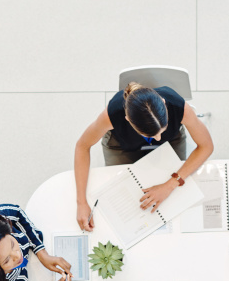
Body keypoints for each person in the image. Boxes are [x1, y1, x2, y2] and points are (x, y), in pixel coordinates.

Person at [72, 82, 215, 231]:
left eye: (162, 129)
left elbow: (206, 146)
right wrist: (81, 202)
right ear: (128, 119)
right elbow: (82, 146)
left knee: (177, 188)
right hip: (121, 143)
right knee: (122, 187)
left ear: (164, 104)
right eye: (153, 135)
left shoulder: (180, 107)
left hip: (172, 138)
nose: (158, 139)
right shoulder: (111, 115)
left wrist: (169, 185)